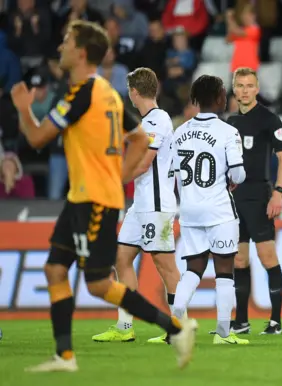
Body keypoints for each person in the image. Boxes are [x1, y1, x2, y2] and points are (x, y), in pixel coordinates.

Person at [10, 20, 196, 372]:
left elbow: (36, 139)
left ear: (81, 52)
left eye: (66, 40)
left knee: (102, 281)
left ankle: (176, 327)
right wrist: (119, 177)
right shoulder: (108, 94)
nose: (60, 46)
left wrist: (22, 106)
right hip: (92, 198)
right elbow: (138, 140)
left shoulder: (83, 94)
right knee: (57, 269)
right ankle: (68, 354)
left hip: (99, 199)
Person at [92, 67, 181, 344]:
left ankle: (179, 327)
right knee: (122, 258)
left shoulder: (158, 120)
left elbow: (144, 162)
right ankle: (124, 326)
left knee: (164, 265)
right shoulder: (148, 122)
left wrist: (113, 180)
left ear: (133, 92)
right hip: (141, 204)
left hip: (157, 204)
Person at [170, 75, 249, 345]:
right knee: (225, 270)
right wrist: (230, 179)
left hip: (190, 209)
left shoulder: (179, 131)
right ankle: (224, 334)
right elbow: (238, 175)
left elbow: (174, 175)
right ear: (218, 98)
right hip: (218, 209)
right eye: (224, 93)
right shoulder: (228, 132)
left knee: (193, 268)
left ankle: (177, 318)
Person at [222, 67, 282, 335]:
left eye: (249, 85)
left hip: (259, 195)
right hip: (234, 197)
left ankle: (276, 321)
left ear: (257, 88)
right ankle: (241, 321)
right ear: (234, 89)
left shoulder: (269, 119)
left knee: (266, 256)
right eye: (240, 86)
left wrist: (278, 192)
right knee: (239, 259)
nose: (245, 90)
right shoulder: (230, 122)